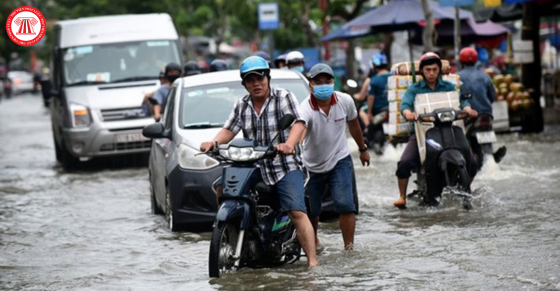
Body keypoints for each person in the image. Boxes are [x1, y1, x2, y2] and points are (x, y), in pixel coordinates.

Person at [199, 56, 318, 267]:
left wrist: (289, 144)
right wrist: (213, 142)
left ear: (268, 78)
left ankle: (312, 262)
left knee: (296, 211)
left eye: (259, 78)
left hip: (284, 166)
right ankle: (233, 231)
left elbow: (298, 123)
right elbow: (229, 129)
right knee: (221, 187)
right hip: (253, 166)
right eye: (250, 80)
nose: (256, 83)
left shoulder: (283, 97)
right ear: (244, 84)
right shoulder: (241, 105)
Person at [300, 63, 370, 251]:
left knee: (346, 205)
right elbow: (300, 129)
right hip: (311, 164)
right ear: (311, 85)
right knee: (311, 210)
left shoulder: (345, 101)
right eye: (318, 81)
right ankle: (312, 243)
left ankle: (349, 247)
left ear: (333, 82)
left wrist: (363, 149)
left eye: (327, 81)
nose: (323, 85)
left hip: (340, 159)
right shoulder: (304, 108)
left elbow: (354, 124)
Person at [394, 52, 478, 208]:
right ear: (422, 71)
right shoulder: (414, 89)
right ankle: (402, 196)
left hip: (450, 129)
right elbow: (405, 105)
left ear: (439, 70)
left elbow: (462, 99)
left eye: (434, 69)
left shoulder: (449, 86)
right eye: (427, 70)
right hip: (422, 132)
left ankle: (466, 189)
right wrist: (408, 113)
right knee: (405, 162)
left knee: (472, 161)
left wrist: (468, 108)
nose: (431, 73)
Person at [457, 47, 507, 163]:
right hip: (486, 115)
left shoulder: (456, 77)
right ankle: (490, 156)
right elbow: (492, 97)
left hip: (467, 116)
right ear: (475, 61)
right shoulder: (485, 76)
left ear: (461, 61)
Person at [366, 53, 392, 154]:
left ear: (374, 65)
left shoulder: (374, 80)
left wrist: (369, 112)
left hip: (379, 111)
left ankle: (368, 145)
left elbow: (370, 98)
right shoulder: (393, 76)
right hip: (393, 110)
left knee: (371, 126)